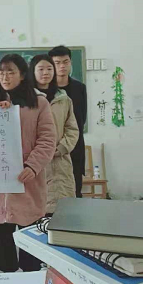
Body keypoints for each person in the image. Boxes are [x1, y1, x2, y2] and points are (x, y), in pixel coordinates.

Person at [0, 54, 56, 273]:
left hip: (27, 180)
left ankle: (31, 282)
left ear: (22, 75)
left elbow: (47, 139)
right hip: (0, 184)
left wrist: (32, 166)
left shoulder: (39, 103)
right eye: (1, 73)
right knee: (4, 238)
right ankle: (7, 283)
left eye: (10, 72)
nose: (4, 77)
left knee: (29, 238)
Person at [30, 55, 79, 216]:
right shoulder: (27, 99)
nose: (46, 73)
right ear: (32, 72)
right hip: (36, 161)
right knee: (36, 210)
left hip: (60, 160)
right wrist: (42, 152)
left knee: (62, 212)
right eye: (41, 69)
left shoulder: (63, 99)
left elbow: (72, 129)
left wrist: (61, 148)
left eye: (49, 69)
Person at [48, 46, 87, 198]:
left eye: (66, 62)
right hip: (51, 149)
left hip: (74, 147)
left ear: (71, 62)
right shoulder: (45, 90)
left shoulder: (79, 88)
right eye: (57, 63)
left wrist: (68, 142)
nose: (62, 66)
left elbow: (81, 119)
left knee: (74, 192)